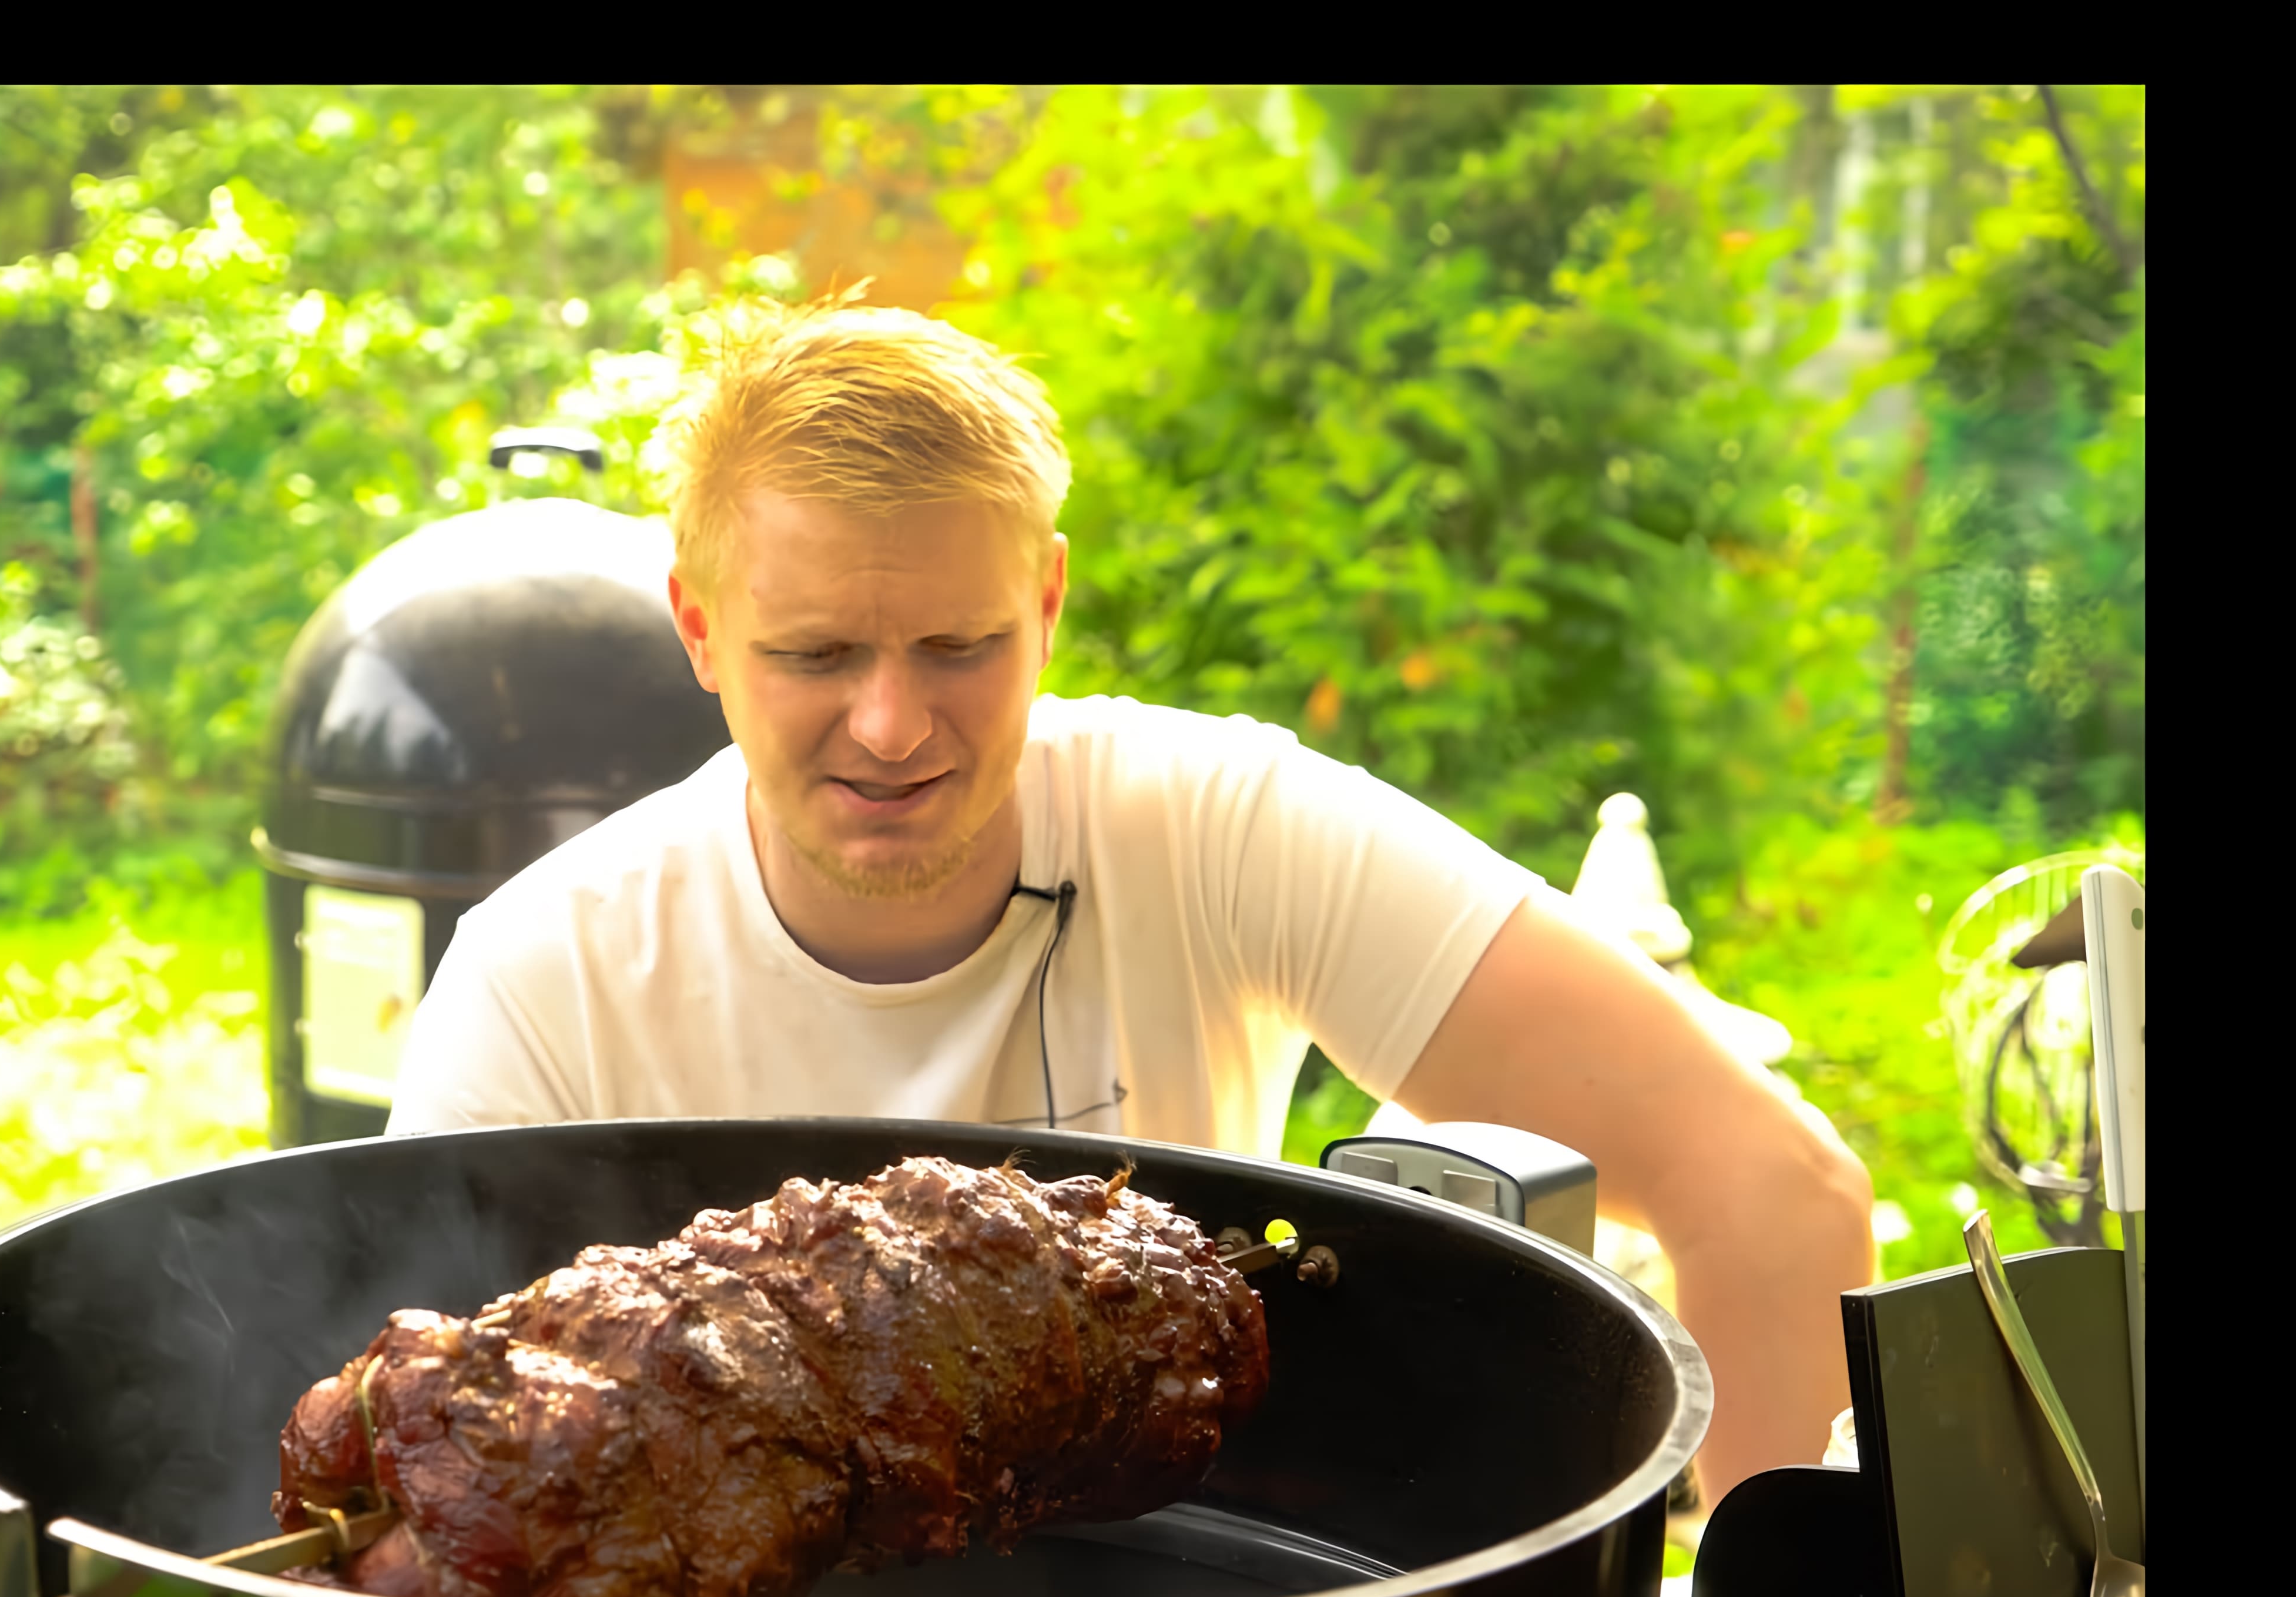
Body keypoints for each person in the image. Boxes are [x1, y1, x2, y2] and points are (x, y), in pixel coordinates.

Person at [384, 287, 1876, 1507]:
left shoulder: (1223, 829)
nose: (894, 725)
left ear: (1045, 605)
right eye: (818, 655)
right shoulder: (547, 972)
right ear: (701, 632)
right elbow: (434, 1455)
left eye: (959, 646)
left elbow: (1772, 1193)